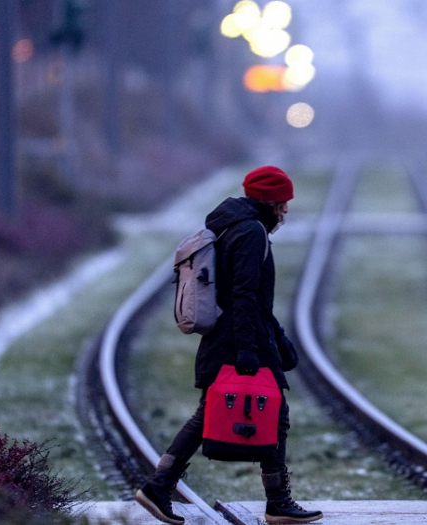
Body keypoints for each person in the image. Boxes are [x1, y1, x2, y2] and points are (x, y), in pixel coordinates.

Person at [135, 166, 323, 525]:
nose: (286, 210)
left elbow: (249, 298)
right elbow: (244, 294)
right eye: (282, 203)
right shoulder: (251, 232)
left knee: (211, 413)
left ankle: (160, 486)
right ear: (268, 202)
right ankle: (277, 503)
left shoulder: (231, 225)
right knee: (274, 413)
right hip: (240, 338)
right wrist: (248, 350)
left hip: (232, 336)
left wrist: (278, 337)